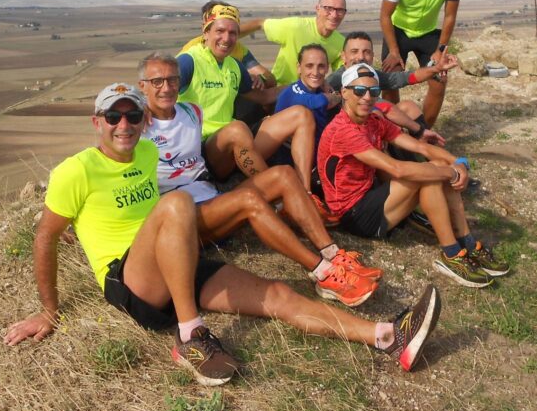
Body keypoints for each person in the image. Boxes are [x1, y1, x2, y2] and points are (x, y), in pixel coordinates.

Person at [4, 81, 443, 384]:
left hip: (176, 263)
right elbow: (45, 236)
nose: (124, 124)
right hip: (130, 280)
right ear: (95, 122)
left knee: (277, 296)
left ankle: (387, 337)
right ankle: (190, 336)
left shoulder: (142, 153)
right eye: (113, 116)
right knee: (175, 203)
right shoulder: (74, 170)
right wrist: (48, 311)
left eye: (132, 114)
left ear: (142, 120)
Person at [138, 51, 380, 307]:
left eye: (172, 80)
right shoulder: (135, 123)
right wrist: (136, 108)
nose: (166, 87)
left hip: (213, 200)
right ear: (142, 86)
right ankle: (324, 273)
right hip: (184, 218)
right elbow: (114, 130)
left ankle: (333, 254)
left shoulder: (191, 112)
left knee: (284, 175)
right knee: (249, 199)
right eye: (157, 82)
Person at [317, 64, 510, 288]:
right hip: (353, 214)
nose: (367, 97)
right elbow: (396, 169)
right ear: (344, 93)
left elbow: (423, 148)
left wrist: (458, 162)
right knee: (427, 175)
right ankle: (453, 253)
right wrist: (448, 171)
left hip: (372, 196)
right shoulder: (343, 130)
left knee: (433, 169)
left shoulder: (373, 121)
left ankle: (465, 241)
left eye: (374, 92)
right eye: (359, 91)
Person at [177, 3, 316, 187]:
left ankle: (305, 190)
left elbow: (265, 97)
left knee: (301, 114)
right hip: (202, 151)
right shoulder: (189, 61)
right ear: (206, 33)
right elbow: (158, 92)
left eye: (233, 33)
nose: (226, 38)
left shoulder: (234, 66)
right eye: (220, 31)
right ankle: (277, 188)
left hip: (236, 146)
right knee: (237, 129)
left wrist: (305, 84)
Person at [329, 31, 458, 131]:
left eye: (366, 52)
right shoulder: (335, 80)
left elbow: (406, 77)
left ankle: (425, 150)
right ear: (344, 57)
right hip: (348, 133)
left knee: (408, 107)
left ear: (372, 57)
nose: (361, 57)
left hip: (375, 127)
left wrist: (436, 68)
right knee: (379, 113)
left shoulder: (373, 75)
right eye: (354, 52)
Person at [240, 0, 348, 87]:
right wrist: (228, 40)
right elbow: (259, 24)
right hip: (279, 93)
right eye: (328, 8)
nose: (334, 15)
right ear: (318, 9)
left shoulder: (341, 44)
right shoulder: (295, 27)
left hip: (311, 96)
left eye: (340, 10)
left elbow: (341, 75)